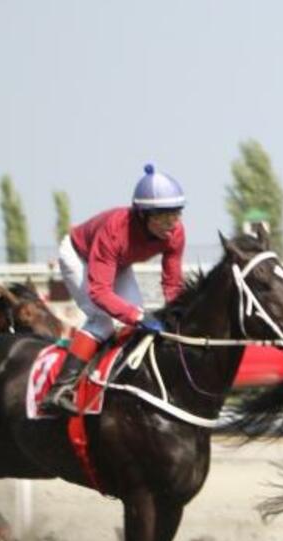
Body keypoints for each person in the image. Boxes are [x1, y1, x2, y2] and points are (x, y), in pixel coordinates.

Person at [44, 164, 186, 415]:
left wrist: (176, 312)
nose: (171, 223)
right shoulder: (115, 231)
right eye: (164, 216)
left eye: (176, 214)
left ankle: (119, 384)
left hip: (117, 264)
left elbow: (172, 282)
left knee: (133, 321)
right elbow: (99, 292)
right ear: (143, 215)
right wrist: (138, 316)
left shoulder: (175, 233)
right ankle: (58, 391)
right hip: (79, 257)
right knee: (103, 320)